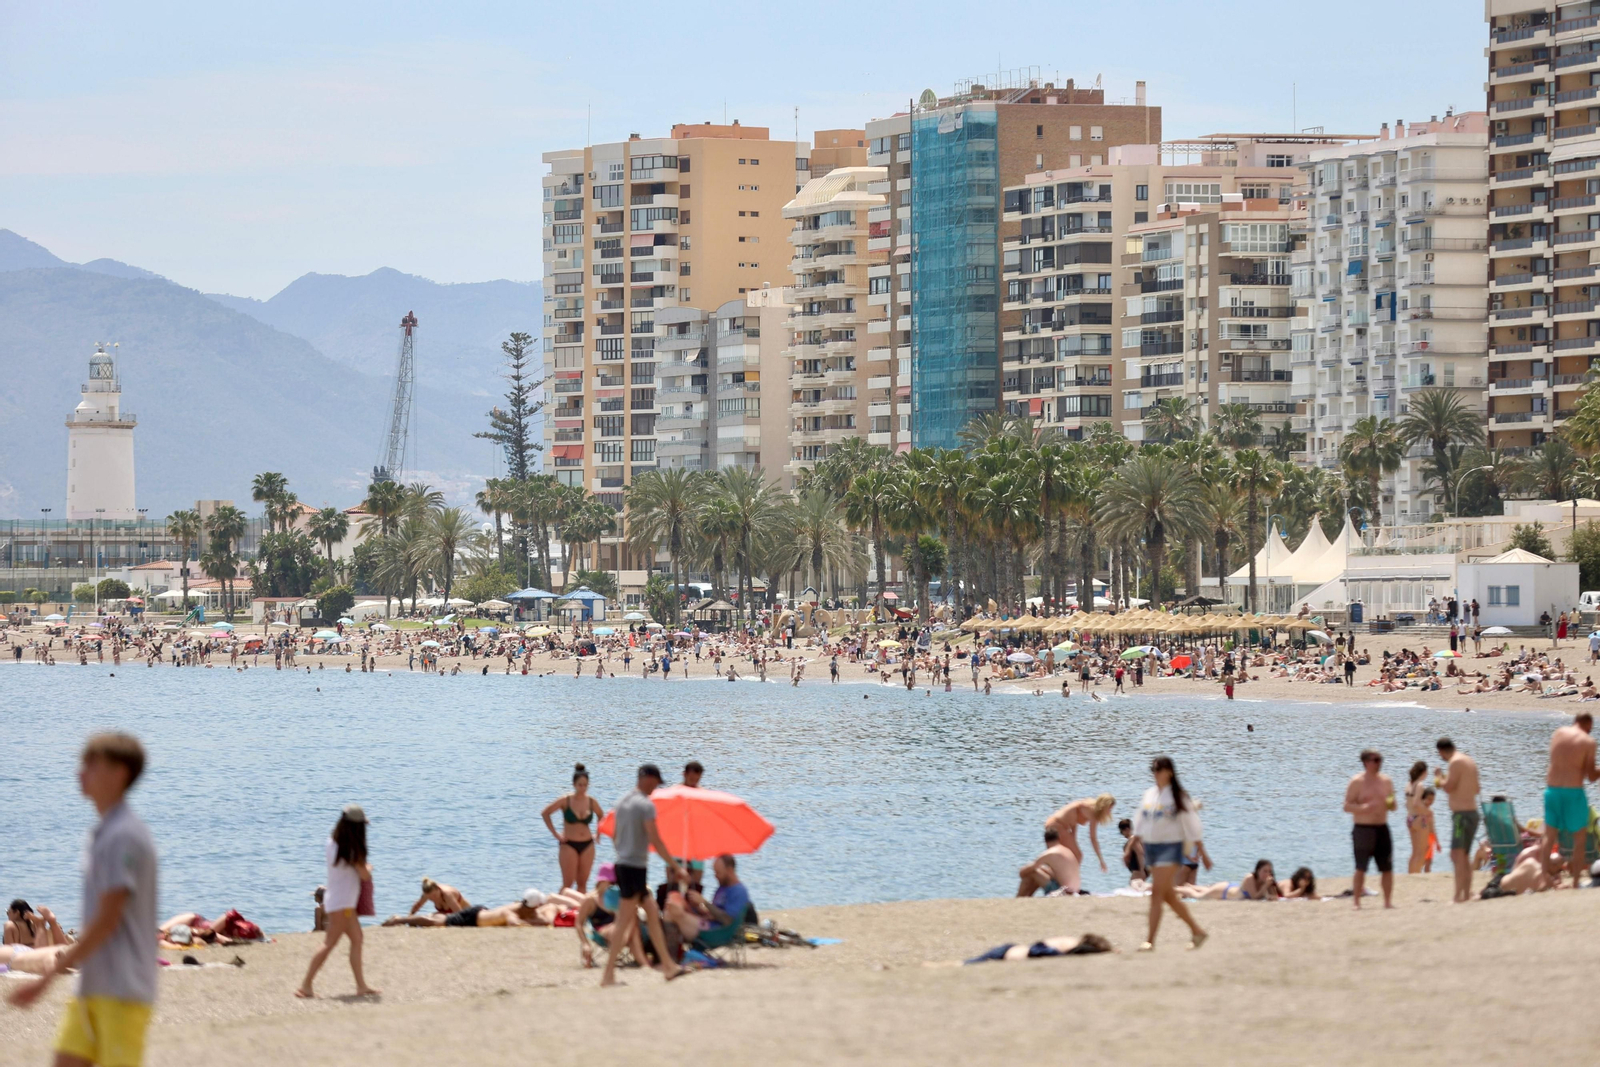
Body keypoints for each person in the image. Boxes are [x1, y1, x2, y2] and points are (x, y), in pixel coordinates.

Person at [7, 733, 159, 1067]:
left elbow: (108, 920)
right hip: (94, 985)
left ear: (119, 773)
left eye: (91, 765)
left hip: (123, 990)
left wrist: (46, 979)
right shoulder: (102, 833)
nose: (80, 773)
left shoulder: (124, 836)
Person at [602, 764, 686, 985]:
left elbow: (613, 834)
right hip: (634, 869)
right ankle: (608, 975)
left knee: (651, 913)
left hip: (624, 865)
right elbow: (655, 840)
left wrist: (624, 850)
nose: (656, 788)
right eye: (656, 783)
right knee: (622, 924)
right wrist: (675, 867)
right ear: (648, 779)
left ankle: (668, 966)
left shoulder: (621, 803)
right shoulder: (645, 805)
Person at [295, 804, 379, 998]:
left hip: (338, 900)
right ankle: (305, 986)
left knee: (357, 939)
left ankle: (361, 986)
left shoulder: (332, 843)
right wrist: (369, 867)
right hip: (343, 904)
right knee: (329, 943)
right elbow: (364, 874)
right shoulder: (352, 849)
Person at [1129, 756, 1208, 951]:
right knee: (1168, 896)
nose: (1155, 774)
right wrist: (1133, 841)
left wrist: (1202, 852)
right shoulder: (1150, 794)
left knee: (1156, 892)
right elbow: (1140, 820)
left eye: (1158, 770)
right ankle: (1197, 931)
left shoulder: (1178, 796)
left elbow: (1192, 824)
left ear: (1169, 772)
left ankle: (1150, 941)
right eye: (1153, 770)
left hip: (1172, 847)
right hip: (1153, 848)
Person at [1541, 712, 1599, 888]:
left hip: (1551, 790)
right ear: (1588, 725)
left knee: (1549, 836)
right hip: (1573, 792)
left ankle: (1544, 878)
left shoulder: (1558, 733)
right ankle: (1575, 882)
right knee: (1579, 838)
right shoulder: (1588, 742)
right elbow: (1591, 776)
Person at [1343, 750, 1396, 909]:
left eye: (1381, 759)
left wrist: (1390, 804)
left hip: (1382, 827)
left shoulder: (1386, 781)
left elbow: (1392, 804)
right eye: (1376, 760)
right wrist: (1364, 808)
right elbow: (1346, 806)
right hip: (1363, 829)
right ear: (1366, 762)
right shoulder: (1357, 781)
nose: (1379, 763)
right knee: (1361, 868)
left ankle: (1387, 902)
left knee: (1387, 868)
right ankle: (1356, 902)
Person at [541, 763, 605, 893]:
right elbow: (545, 813)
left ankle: (579, 912)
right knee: (567, 885)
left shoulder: (591, 801)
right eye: (580, 785)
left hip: (588, 845)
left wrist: (598, 834)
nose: (583, 788)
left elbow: (601, 815)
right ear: (574, 785)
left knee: (582, 884)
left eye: (585, 785)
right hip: (568, 844)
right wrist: (556, 835)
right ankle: (559, 911)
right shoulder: (566, 800)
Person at [663, 854, 751, 944]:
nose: (715, 876)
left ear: (729, 871)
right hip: (708, 924)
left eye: (718, 872)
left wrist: (704, 902)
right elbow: (714, 913)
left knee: (672, 912)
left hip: (716, 932)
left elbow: (727, 920)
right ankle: (671, 953)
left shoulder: (738, 891)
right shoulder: (722, 888)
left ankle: (669, 954)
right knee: (672, 906)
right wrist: (697, 907)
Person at [1434, 738, 1480, 903]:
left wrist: (1439, 777)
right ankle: (1466, 894)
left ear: (1442, 750)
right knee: (1464, 855)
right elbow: (1476, 789)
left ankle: (1458, 896)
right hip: (1473, 813)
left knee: (1457, 855)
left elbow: (1448, 787)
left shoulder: (1454, 762)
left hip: (1461, 815)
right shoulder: (1469, 760)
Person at [383, 890, 552, 928]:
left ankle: (405, 920)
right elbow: (514, 924)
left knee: (437, 920)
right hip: (473, 917)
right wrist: (535, 924)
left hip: (481, 912)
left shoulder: (522, 907)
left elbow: (539, 916)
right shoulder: (510, 913)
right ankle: (400, 919)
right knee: (438, 922)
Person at [1043, 794, 1116, 874]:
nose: (1109, 812)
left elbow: (1074, 822)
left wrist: (1073, 841)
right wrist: (1101, 860)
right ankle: (1067, 879)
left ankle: (1059, 876)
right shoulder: (1093, 811)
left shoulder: (1088, 806)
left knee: (1068, 855)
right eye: (1109, 809)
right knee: (1078, 855)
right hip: (1056, 826)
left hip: (1056, 826)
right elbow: (1093, 838)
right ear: (1104, 806)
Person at [1016, 829, 1081, 897]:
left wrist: (1027, 869)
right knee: (1040, 869)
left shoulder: (1049, 853)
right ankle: (1026, 897)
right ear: (1059, 839)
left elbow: (1022, 873)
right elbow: (1058, 876)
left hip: (1064, 892)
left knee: (1032, 872)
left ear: (1045, 841)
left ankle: (1019, 898)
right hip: (1075, 890)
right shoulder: (1067, 851)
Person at [5, 900, 72, 948]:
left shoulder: (10, 925)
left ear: (17, 912)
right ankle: (51, 922)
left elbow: (9, 950)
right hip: (41, 951)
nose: (8, 915)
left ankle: (47, 922)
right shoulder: (33, 924)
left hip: (24, 959)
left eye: (8, 912)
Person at [1403, 761, 1431, 875]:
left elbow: (1407, 804)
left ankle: (1411, 873)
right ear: (1424, 772)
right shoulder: (1420, 785)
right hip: (1419, 818)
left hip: (1410, 818)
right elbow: (1416, 803)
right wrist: (1428, 812)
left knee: (1414, 851)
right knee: (1423, 850)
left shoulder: (1409, 784)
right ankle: (1417, 873)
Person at [404, 877, 469, 917]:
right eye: (430, 898)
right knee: (428, 917)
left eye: (434, 895)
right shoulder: (426, 894)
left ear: (438, 889)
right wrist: (410, 916)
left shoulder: (447, 895)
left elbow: (460, 915)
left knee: (432, 917)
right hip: (448, 915)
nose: (433, 898)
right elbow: (417, 906)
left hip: (466, 914)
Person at [1118, 818, 1147, 883]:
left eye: (1121, 832)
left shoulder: (1133, 840)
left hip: (1138, 870)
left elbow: (1140, 853)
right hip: (1138, 869)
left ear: (1127, 829)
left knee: (1134, 888)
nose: (1122, 834)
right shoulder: (1136, 838)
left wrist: (1142, 871)